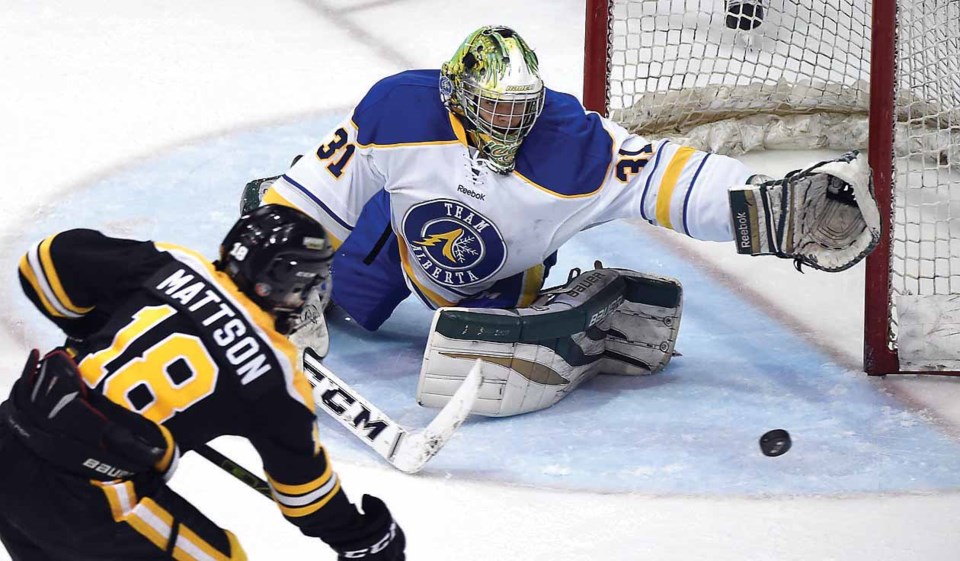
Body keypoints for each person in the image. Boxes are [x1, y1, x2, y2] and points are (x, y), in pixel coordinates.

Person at [242, 25, 880, 417]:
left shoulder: (574, 145)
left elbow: (664, 176)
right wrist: (282, 251)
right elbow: (325, 184)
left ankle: (590, 325)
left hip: (496, 278)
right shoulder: (399, 108)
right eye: (493, 108)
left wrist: (768, 206)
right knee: (310, 268)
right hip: (393, 239)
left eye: (520, 108)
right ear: (458, 95)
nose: (510, 122)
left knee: (468, 355)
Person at [0, 205, 405, 560]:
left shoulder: (170, 264)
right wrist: (364, 538)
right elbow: (306, 496)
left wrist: (88, 331)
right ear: (281, 282)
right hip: (88, 496)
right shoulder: (272, 374)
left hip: (9, 437)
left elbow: (45, 263)